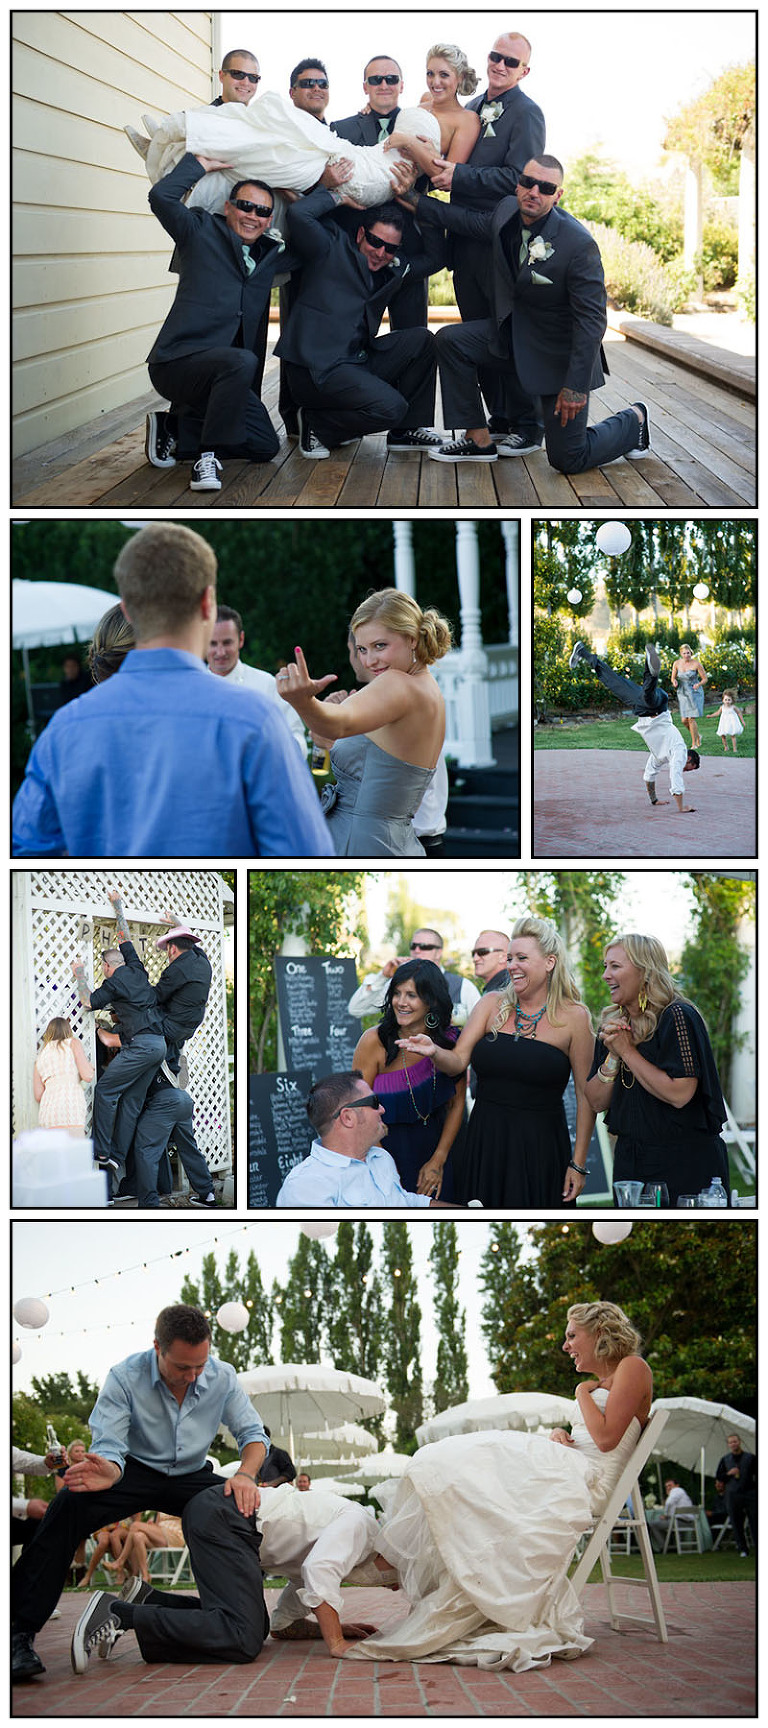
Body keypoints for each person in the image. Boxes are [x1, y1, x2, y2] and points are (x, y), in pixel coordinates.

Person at [351, 1300, 653, 1668]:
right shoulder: (605, 1381)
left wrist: (580, 1394)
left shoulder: (632, 1368)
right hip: (573, 1464)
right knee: (471, 1465)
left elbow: (606, 1441)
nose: (566, 1345)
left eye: (572, 1335)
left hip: (588, 1481)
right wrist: (562, 1431)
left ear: (601, 1333)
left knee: (487, 1458)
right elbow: (595, 1434)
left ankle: (391, 1563)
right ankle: (398, 1560)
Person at [12, 523, 334, 858]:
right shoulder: (253, 721)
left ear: (127, 609)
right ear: (208, 603)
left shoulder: (63, 729)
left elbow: (24, 854)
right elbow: (303, 853)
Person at [12, 1304, 269, 1682]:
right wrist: (111, 1471)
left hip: (192, 1475)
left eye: (200, 1365)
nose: (194, 1375)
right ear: (157, 1348)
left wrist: (246, 1474)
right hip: (131, 1471)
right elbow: (111, 1445)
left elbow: (253, 1436)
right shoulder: (124, 1377)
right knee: (65, 1509)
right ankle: (17, 1635)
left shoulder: (223, 1376)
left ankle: (220, 1612)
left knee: (237, 1509)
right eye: (183, 1367)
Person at [406, 155, 650, 469]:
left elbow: (592, 322)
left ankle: (635, 420)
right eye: (527, 182)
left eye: (546, 187)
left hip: (556, 358)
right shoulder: (507, 210)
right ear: (518, 183)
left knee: (568, 458)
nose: (533, 191)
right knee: (450, 340)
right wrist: (411, 198)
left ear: (558, 195)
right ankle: (477, 439)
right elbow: (466, 221)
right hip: (511, 338)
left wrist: (575, 386)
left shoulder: (578, 245)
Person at [398, 915, 596, 1207]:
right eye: (510, 958)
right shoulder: (490, 1004)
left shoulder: (575, 1017)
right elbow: (457, 1061)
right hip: (485, 1142)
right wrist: (434, 1051)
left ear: (549, 962)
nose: (511, 966)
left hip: (540, 1148)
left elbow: (585, 1096)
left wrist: (578, 1164)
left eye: (522, 958)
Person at [145, 155, 288, 488]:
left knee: (265, 446)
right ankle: (205, 458)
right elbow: (160, 197)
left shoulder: (271, 254)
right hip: (177, 364)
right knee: (242, 361)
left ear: (269, 220)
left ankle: (173, 428)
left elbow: (313, 239)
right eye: (245, 206)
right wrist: (200, 164)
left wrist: (304, 196)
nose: (253, 216)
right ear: (228, 207)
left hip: (227, 374)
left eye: (263, 211)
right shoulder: (199, 230)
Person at [277, 590, 452, 856]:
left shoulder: (399, 684)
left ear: (412, 639)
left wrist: (303, 701)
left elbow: (336, 725)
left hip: (363, 845)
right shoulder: (425, 689)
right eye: (362, 649)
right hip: (391, 842)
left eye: (380, 646)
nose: (370, 661)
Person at [276, 189, 443, 459]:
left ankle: (405, 432)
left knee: (423, 340)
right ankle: (316, 425)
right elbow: (299, 213)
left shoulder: (393, 269)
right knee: (392, 408)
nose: (380, 253)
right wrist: (340, 195)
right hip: (314, 370)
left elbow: (437, 259)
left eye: (390, 248)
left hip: (355, 361)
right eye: (375, 242)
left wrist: (419, 207)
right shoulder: (329, 247)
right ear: (360, 235)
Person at [584, 932, 731, 1204]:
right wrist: (614, 1056)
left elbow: (680, 1094)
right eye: (606, 966)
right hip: (631, 1165)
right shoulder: (614, 1025)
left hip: (685, 1163)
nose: (605, 975)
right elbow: (595, 1100)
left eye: (615, 966)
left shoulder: (676, 1016)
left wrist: (627, 1051)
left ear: (644, 971)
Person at [72, 890, 166, 1188]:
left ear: (107, 967)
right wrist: (117, 905)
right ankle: (115, 1157)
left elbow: (87, 1001)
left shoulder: (112, 982)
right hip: (159, 1045)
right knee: (131, 1103)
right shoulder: (137, 968)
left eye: (102, 968)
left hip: (140, 1046)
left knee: (105, 1091)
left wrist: (80, 975)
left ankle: (101, 1151)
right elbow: (124, 935)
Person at [331, 55, 429, 335]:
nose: (384, 84)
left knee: (411, 340)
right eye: (376, 79)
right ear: (365, 87)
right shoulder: (342, 130)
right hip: (357, 253)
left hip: (408, 251)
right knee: (352, 340)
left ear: (402, 85)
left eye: (391, 79)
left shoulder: (420, 127)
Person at [352, 960, 466, 1200]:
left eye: (411, 995)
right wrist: (385, 1168)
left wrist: (438, 1159)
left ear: (431, 1000)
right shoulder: (374, 1041)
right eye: (397, 993)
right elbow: (359, 1109)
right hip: (385, 1151)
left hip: (441, 1151)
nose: (401, 1002)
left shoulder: (448, 1040)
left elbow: (456, 1104)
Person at [275, 1071, 455, 1208]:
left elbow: (405, 1202)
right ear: (348, 1117)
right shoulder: (306, 1187)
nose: (383, 1109)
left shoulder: (381, 1157)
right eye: (375, 1102)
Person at [569, 641, 696, 815]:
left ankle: (583, 652)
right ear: (690, 759)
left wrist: (654, 800)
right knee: (649, 693)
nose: (686, 770)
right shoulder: (680, 751)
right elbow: (676, 778)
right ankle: (651, 669)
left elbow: (649, 776)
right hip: (656, 707)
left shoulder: (659, 755)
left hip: (646, 706)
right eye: (690, 768)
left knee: (613, 681)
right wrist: (681, 807)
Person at [208, 605, 306, 753]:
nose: (220, 652)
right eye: (213, 643)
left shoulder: (267, 685)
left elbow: (297, 739)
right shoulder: (189, 688)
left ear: (241, 639)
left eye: (227, 643)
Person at [347, 927, 481, 1021]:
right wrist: (382, 977)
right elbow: (356, 1009)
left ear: (438, 952)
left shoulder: (463, 987)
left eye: (424, 946)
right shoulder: (398, 985)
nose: (417, 950)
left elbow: (481, 1028)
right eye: (413, 946)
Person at [131, 1069, 215, 1209]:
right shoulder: (169, 1057)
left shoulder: (143, 1053)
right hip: (184, 1099)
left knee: (146, 1149)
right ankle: (208, 1195)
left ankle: (149, 1204)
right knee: (189, 1148)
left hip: (164, 1102)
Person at [154, 914, 213, 1077]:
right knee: (173, 1038)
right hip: (192, 1023)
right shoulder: (202, 960)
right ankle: (175, 1062)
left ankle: (171, 1070)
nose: (167, 954)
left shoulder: (177, 969)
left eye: (167, 949)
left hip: (174, 1025)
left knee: (144, 1024)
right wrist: (178, 925)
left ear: (172, 949)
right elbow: (192, 945)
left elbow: (156, 996)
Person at [33, 1017, 94, 1134]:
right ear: (68, 1031)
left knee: (52, 1151)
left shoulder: (40, 1057)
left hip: (48, 1114)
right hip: (71, 1108)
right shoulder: (73, 1043)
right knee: (73, 1150)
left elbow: (38, 1095)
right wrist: (90, 1068)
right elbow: (87, 1075)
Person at [715, 1435, 756, 1555]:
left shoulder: (751, 1458)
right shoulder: (725, 1459)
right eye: (730, 1442)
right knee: (736, 1522)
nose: (733, 1444)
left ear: (739, 1442)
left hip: (750, 1493)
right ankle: (742, 1549)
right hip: (733, 1495)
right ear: (728, 1445)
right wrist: (729, 1473)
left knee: (755, 1522)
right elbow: (719, 1476)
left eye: (735, 1441)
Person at [670, 644, 708, 750]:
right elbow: (673, 678)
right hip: (682, 693)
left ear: (691, 653)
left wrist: (699, 684)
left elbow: (705, 678)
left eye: (688, 653)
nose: (686, 655)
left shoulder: (696, 664)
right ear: (681, 654)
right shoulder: (676, 663)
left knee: (691, 718)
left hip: (695, 692)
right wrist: (674, 682)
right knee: (684, 720)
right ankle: (697, 736)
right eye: (684, 653)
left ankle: (694, 743)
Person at [647, 1477, 695, 1552]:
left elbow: (669, 1503)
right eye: (666, 1486)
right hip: (688, 1522)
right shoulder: (682, 1493)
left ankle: (663, 1547)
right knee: (661, 1522)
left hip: (680, 1522)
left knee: (652, 1524)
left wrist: (666, 1515)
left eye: (670, 1485)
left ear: (677, 1485)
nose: (668, 1488)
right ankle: (668, 1546)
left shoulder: (676, 1490)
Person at [471, 929, 511, 994]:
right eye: (473, 953)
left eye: (482, 952)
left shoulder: (508, 991)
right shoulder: (497, 988)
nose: (475, 959)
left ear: (504, 957)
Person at [707, 688, 746, 753]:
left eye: (729, 700)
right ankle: (726, 747)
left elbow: (739, 713)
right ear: (723, 700)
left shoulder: (733, 707)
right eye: (726, 700)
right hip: (724, 723)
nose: (727, 701)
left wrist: (742, 721)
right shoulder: (722, 707)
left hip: (732, 723)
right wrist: (710, 716)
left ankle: (734, 748)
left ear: (732, 700)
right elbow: (717, 713)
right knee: (722, 735)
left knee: (732, 735)